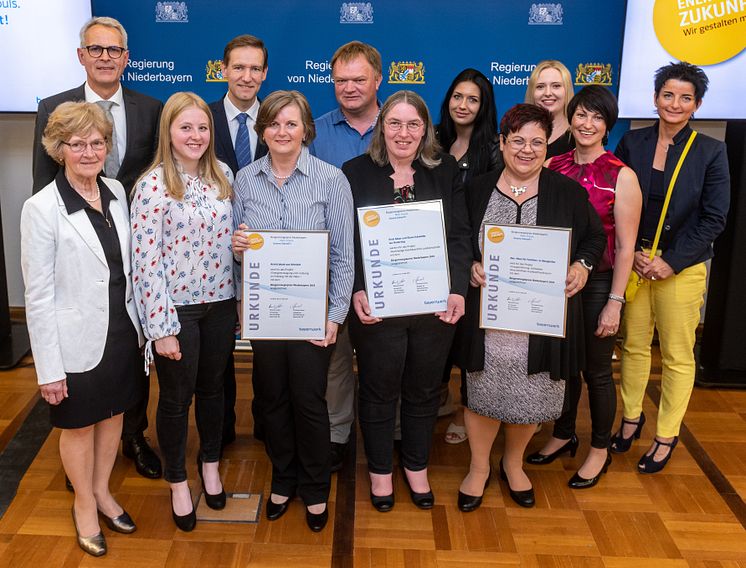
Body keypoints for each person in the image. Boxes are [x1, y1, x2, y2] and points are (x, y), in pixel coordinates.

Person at [456, 103, 606, 512]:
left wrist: (582, 265)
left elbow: (595, 239)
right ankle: (478, 467)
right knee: (482, 392)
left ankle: (513, 462)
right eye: (518, 140)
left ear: (548, 146)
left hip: (542, 323)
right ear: (502, 143)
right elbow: (458, 240)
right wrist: (469, 264)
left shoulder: (568, 192)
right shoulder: (475, 189)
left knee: (532, 396)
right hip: (489, 321)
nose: (527, 149)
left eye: (536, 142)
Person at [32, 16, 163, 480]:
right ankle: (83, 465)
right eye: (96, 49)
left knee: (129, 376)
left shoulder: (152, 108)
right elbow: (42, 184)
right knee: (86, 382)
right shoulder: (54, 107)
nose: (105, 57)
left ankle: (134, 437)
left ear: (126, 58)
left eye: (114, 50)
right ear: (81, 55)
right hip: (75, 256)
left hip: (128, 259)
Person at [21, 101, 144, 556]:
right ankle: (85, 507)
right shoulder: (40, 209)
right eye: (78, 144)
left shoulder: (115, 190)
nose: (89, 152)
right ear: (59, 150)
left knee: (113, 416)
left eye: (97, 142)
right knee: (78, 427)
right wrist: (48, 369)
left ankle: (103, 491)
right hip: (74, 341)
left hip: (120, 331)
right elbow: (37, 296)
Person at [343, 90, 471, 512]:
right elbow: (348, 244)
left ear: (426, 130)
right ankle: (380, 470)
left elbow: (458, 235)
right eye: (394, 124)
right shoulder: (354, 172)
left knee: (424, 391)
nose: (403, 132)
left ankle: (416, 466)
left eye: (412, 124)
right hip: (378, 307)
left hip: (434, 307)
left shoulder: (445, 170)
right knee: (378, 391)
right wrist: (358, 287)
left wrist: (456, 290)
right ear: (382, 128)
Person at [231, 90, 353, 532]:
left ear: (306, 129)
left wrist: (335, 315)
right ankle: (283, 479)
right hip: (265, 316)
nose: (282, 132)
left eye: (291, 123)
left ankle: (316, 487)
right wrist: (239, 248)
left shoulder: (330, 179)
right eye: (273, 124)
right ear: (262, 130)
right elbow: (238, 250)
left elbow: (343, 255)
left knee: (308, 400)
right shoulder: (244, 180)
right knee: (271, 400)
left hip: (312, 317)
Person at [610, 62, 730, 473]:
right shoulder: (632, 142)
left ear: (696, 105)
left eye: (685, 97)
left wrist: (671, 261)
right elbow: (619, 201)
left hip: (681, 267)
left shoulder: (711, 151)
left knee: (678, 354)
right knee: (633, 345)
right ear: (655, 98)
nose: (675, 104)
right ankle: (630, 418)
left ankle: (666, 435)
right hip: (637, 262)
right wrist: (636, 254)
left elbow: (715, 218)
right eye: (668, 95)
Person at [131, 92, 236, 531]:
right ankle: (177, 481)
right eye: (185, 127)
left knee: (214, 391)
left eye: (203, 128)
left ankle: (209, 464)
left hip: (221, 303)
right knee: (176, 400)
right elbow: (145, 260)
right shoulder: (152, 184)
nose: (195, 136)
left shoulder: (224, 175)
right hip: (177, 312)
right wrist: (161, 328)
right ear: (168, 132)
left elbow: (233, 239)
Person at [527, 86, 642, 488]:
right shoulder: (553, 165)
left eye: (597, 117)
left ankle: (599, 449)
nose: (587, 124)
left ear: (608, 125)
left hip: (598, 285)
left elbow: (626, 247)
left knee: (596, 372)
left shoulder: (621, 175)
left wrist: (615, 302)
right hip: (555, 284)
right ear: (570, 118)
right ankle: (563, 432)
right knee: (564, 368)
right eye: (581, 115)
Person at [309, 41, 383, 471]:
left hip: (386, 268)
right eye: (341, 80)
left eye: (358, 79)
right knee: (334, 357)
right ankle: (337, 435)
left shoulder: (401, 126)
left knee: (384, 360)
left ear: (378, 79)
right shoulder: (314, 133)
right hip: (331, 266)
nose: (349, 88)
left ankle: (386, 432)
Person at [436, 67, 503, 445]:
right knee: (440, 332)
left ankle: (466, 411)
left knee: (470, 339)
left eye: (472, 99)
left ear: (483, 106)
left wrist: (481, 259)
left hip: (476, 260)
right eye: (457, 97)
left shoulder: (494, 149)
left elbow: (495, 211)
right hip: (432, 256)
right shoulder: (432, 141)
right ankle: (440, 398)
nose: (463, 105)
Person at [208, 33, 269, 449]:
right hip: (212, 258)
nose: (246, 76)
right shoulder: (202, 119)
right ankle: (221, 430)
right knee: (216, 355)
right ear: (224, 69)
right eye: (238, 67)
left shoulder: (280, 120)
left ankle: (269, 424)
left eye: (254, 68)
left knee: (270, 345)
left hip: (271, 259)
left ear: (265, 74)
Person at [525, 60, 575, 158]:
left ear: (567, 90)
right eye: (540, 87)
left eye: (556, 86)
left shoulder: (579, 136)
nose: (548, 93)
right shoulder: (518, 132)